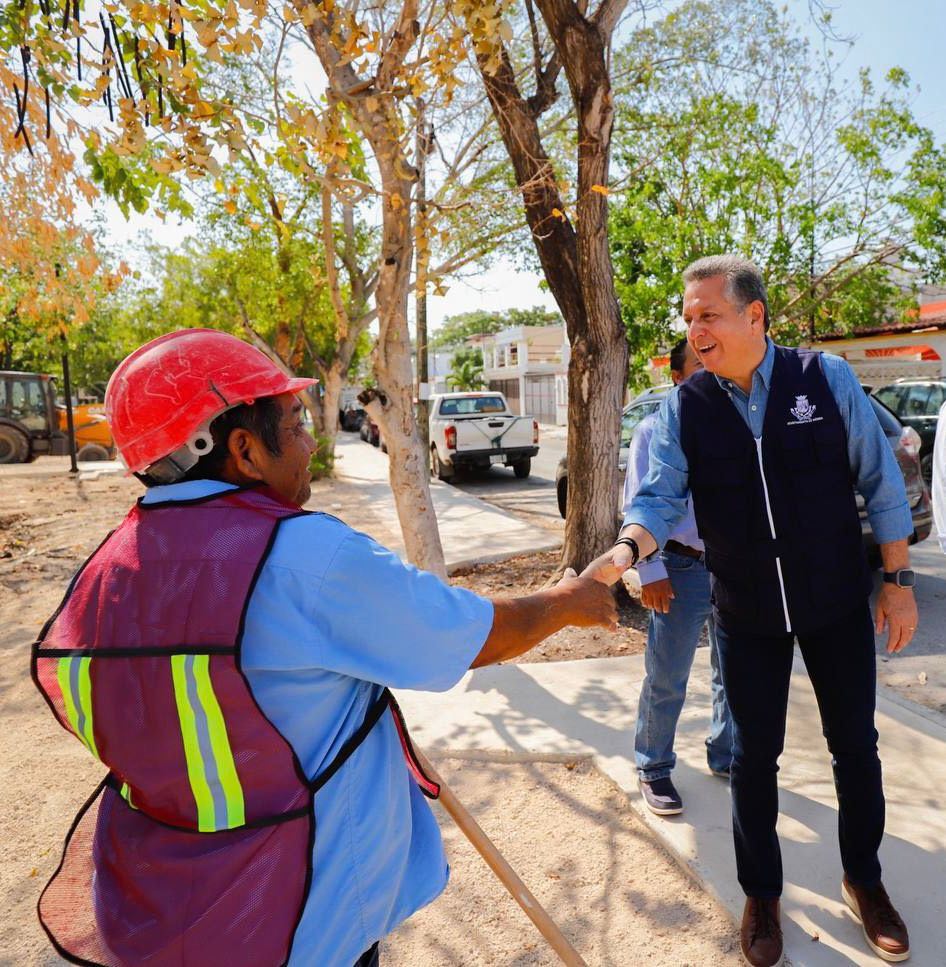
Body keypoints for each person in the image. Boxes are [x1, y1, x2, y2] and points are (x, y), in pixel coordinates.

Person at [31, 329, 617, 967]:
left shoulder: (108, 569)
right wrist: (569, 602)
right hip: (293, 919)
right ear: (245, 450)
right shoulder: (303, 557)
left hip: (157, 907)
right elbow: (472, 634)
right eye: (296, 422)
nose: (312, 443)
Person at [586, 256, 917, 966]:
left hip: (834, 602)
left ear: (753, 315)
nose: (693, 329)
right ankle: (762, 895)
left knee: (855, 748)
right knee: (752, 758)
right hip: (746, 611)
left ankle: (865, 880)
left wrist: (899, 579)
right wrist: (626, 551)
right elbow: (657, 498)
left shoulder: (822, 380)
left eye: (707, 314)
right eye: (688, 317)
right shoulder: (686, 407)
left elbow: (880, 477)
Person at [626, 338, 732, 817]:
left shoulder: (732, 421)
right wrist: (649, 570)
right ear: (675, 377)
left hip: (733, 565)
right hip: (679, 565)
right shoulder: (653, 429)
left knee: (734, 671)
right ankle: (653, 765)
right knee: (667, 674)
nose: (711, 371)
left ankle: (727, 755)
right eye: (698, 365)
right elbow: (637, 503)